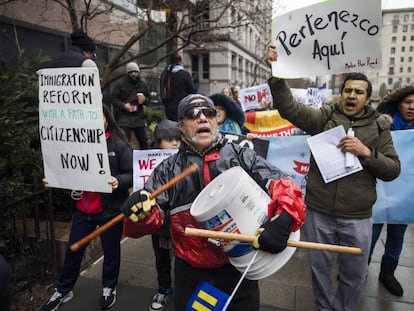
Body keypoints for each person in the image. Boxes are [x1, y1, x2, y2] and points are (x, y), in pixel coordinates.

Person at [120, 93, 306, 310]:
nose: (201, 118)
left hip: (238, 269)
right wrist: (139, 214)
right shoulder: (166, 171)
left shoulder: (242, 155)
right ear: (181, 126)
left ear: (216, 120)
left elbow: (284, 186)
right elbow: (147, 222)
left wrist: (284, 218)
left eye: (208, 113)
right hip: (190, 274)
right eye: (192, 115)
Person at [265, 45, 401, 311]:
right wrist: (277, 74)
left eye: (358, 92)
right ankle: (324, 308)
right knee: (319, 268)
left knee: (354, 272)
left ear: (367, 98)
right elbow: (290, 109)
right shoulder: (324, 118)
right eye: (348, 90)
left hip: (358, 216)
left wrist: (366, 153)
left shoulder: (379, 126)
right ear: (341, 95)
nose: (352, 95)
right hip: (320, 212)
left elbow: (393, 169)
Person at [40, 105, 133, 311]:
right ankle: (63, 290)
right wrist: (54, 179)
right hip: (84, 211)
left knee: (111, 251)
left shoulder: (118, 145)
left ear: (106, 119)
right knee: (74, 251)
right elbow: (66, 168)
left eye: (96, 117)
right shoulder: (75, 145)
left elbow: (133, 172)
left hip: (109, 211)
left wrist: (119, 180)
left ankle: (109, 287)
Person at [369, 84, 414, 296]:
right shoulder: (382, 125)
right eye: (408, 102)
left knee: (398, 231)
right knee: (371, 231)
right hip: (380, 186)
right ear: (399, 104)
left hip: (406, 192)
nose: (412, 107)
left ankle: (388, 273)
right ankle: (359, 268)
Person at [147, 120, 181, 311]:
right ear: (159, 143)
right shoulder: (149, 163)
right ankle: (164, 288)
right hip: (159, 223)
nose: (175, 143)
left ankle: (184, 289)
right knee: (161, 257)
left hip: (182, 221)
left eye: (178, 139)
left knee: (185, 259)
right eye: (169, 140)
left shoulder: (189, 160)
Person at [110, 62, 150, 149]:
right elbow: (113, 99)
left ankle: (145, 159)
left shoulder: (143, 84)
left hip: (138, 116)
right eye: (131, 72)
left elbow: (148, 100)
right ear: (127, 73)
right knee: (124, 141)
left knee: (143, 141)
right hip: (124, 116)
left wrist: (144, 99)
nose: (133, 74)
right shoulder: (120, 84)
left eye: (135, 72)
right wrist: (123, 105)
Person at [160, 54, 197, 121]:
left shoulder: (165, 74)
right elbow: (192, 91)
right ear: (180, 62)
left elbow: (162, 91)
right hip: (182, 107)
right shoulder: (184, 74)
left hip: (168, 108)